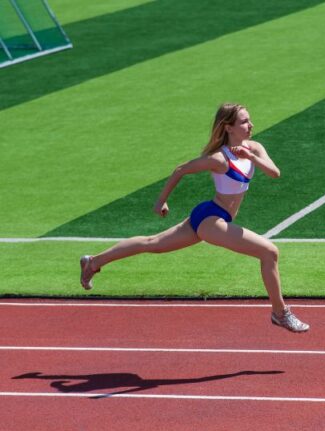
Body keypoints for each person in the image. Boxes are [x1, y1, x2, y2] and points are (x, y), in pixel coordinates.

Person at [79, 103, 309, 332]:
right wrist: (161, 200)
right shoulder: (219, 159)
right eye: (244, 122)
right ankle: (280, 313)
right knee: (269, 252)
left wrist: (251, 156)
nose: (251, 125)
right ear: (228, 128)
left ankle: (94, 262)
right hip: (211, 219)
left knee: (153, 244)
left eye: (249, 120)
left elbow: (274, 173)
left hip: (210, 216)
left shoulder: (254, 148)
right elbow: (181, 169)